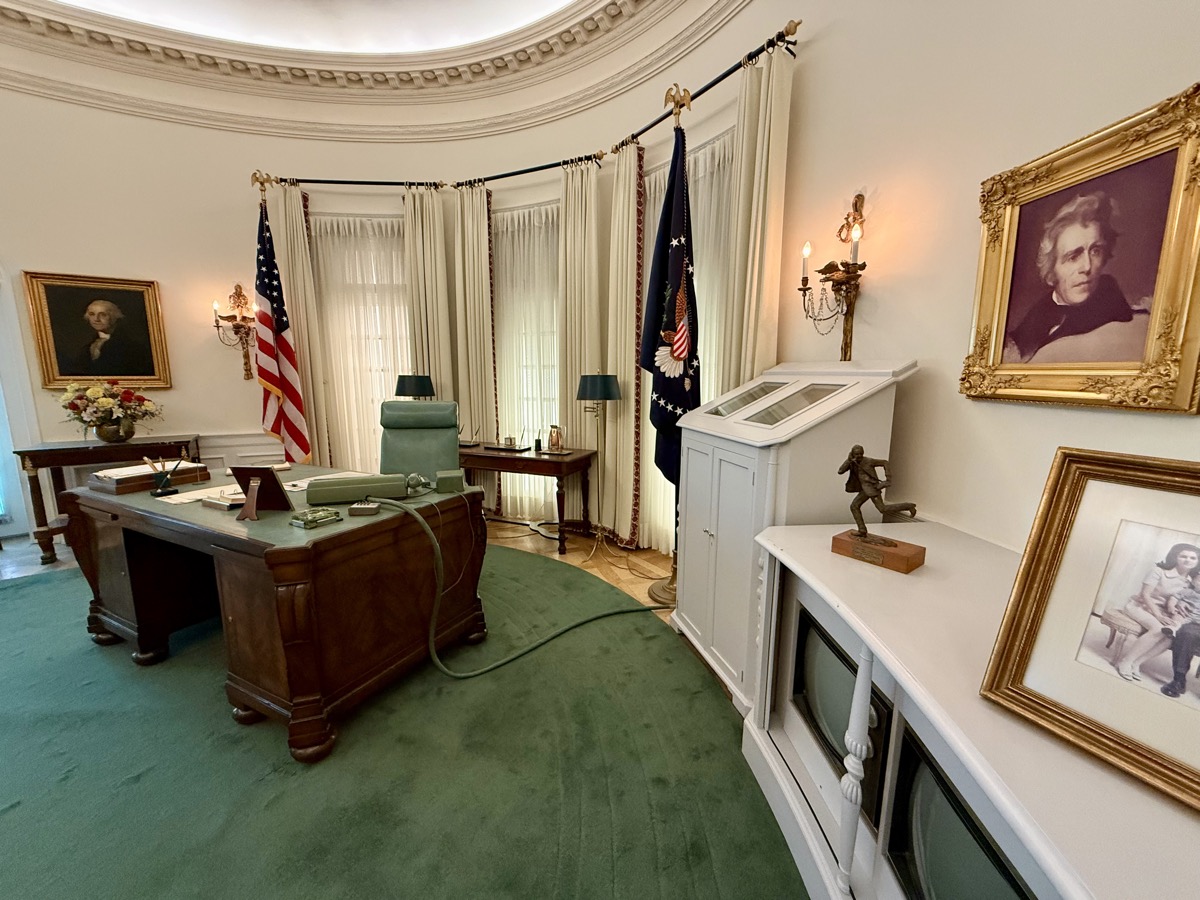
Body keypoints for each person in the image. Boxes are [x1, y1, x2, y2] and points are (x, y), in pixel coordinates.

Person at [1003, 191, 1149, 364]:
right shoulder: (1035, 317)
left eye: (1095, 251)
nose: (1087, 267)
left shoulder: (1122, 323)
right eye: (1073, 257)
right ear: (1051, 270)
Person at [1114, 542, 1200, 682]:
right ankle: (1125, 661)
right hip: (1141, 606)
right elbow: (1145, 595)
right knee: (1158, 628)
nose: (1187, 560)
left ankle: (1137, 663)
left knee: (1171, 636)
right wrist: (1158, 615)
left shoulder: (1191, 582)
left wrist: (1182, 603)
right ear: (1175, 557)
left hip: (1164, 612)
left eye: (1192, 558)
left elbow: (1184, 597)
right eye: (1183, 556)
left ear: (1197, 562)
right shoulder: (1159, 571)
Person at [837, 444, 917, 537]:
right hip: (864, 489)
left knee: (882, 509)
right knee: (854, 506)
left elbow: (885, 462)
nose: (859, 456)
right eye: (856, 454)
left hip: (872, 489)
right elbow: (840, 471)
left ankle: (909, 506)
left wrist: (888, 478)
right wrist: (849, 460)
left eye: (860, 454)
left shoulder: (869, 461)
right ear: (853, 454)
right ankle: (862, 530)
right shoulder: (852, 462)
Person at [69, 298, 155, 377]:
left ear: (114, 317)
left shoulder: (132, 347)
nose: (96, 319)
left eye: (102, 315)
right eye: (92, 314)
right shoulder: (86, 348)